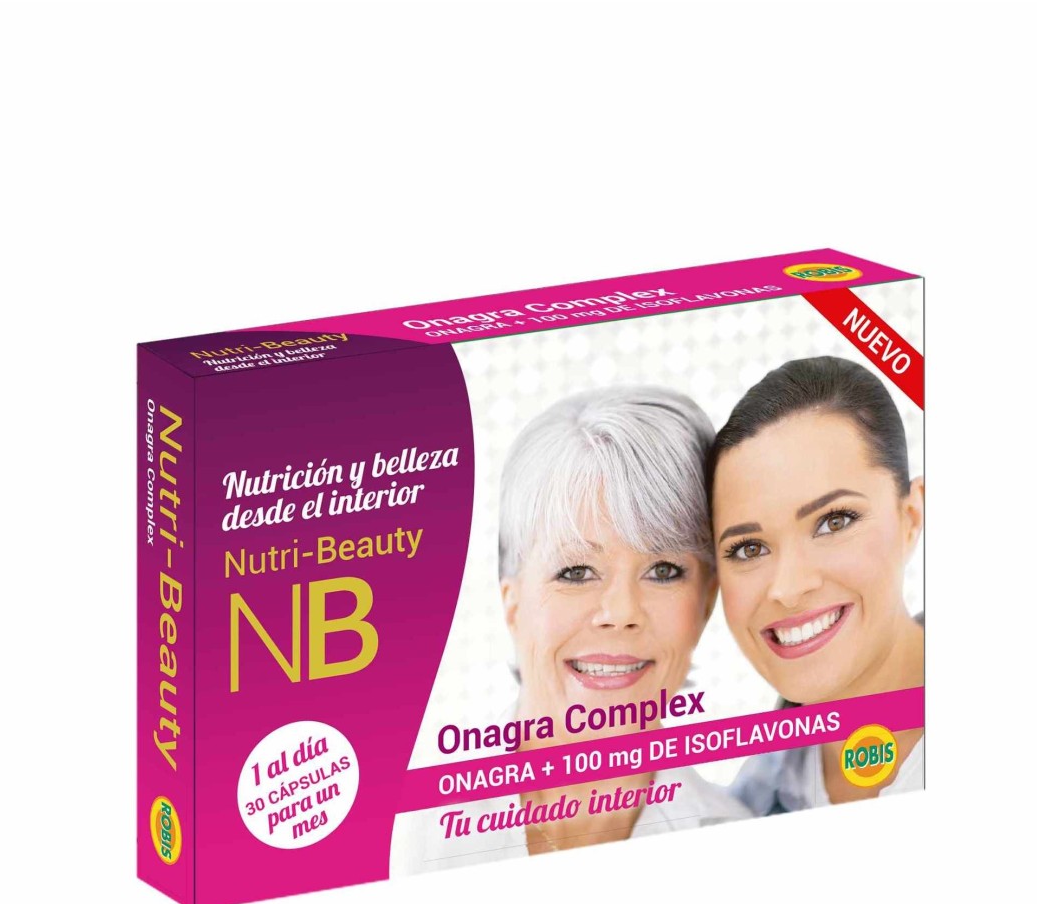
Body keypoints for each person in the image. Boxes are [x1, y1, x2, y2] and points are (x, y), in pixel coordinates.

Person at [390, 386, 749, 875]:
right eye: (576, 571)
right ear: (512, 602)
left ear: (705, 602)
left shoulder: (738, 845)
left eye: (664, 570)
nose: (620, 611)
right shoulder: (400, 828)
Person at [710, 355, 924, 814]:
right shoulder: (746, 807)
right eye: (749, 548)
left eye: (834, 521)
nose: (788, 588)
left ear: (911, 518)